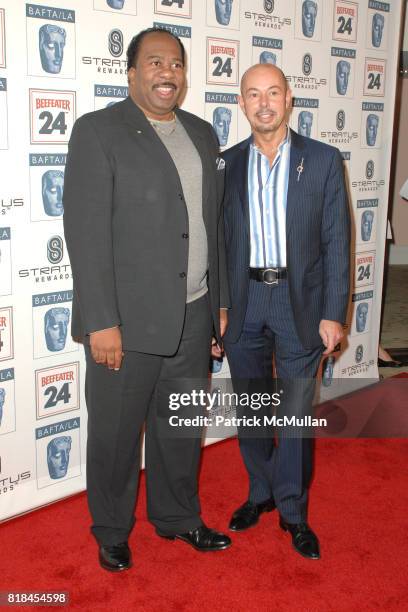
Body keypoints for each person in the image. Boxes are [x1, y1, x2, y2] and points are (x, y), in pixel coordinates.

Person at [63, 27, 231, 573]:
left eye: (177, 64)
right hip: (125, 324)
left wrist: (218, 303)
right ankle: (111, 530)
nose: (168, 73)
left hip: (193, 312)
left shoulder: (203, 135)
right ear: (130, 72)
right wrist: (101, 322)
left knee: (179, 428)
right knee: (114, 435)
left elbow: (213, 227)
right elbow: (85, 234)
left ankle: (178, 517)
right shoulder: (98, 132)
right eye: (155, 63)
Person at [222, 64, 350, 560]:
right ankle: (261, 493)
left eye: (273, 92)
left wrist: (333, 312)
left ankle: (294, 512)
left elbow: (338, 241)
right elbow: (219, 242)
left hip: (301, 304)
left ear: (290, 97)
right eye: (253, 94)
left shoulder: (321, 160)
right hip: (245, 303)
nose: (264, 102)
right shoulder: (226, 163)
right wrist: (220, 308)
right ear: (241, 102)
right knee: (252, 410)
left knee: (295, 415)